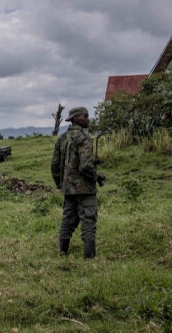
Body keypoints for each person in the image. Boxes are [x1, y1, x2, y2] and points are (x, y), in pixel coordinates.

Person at [51, 107, 105, 259]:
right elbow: (85, 166)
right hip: (85, 189)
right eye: (85, 116)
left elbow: (54, 165)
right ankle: (90, 257)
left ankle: (63, 253)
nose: (88, 119)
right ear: (76, 118)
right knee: (88, 221)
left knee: (68, 220)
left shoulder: (62, 138)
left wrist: (60, 184)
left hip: (69, 189)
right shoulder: (83, 138)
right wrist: (97, 176)